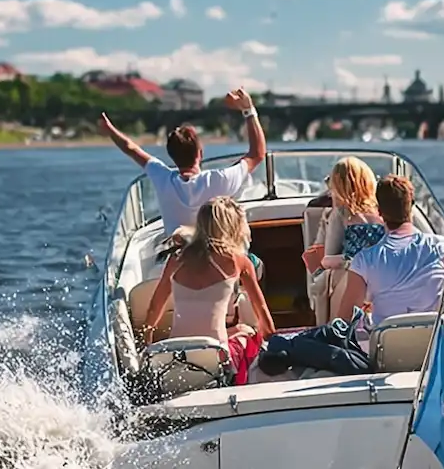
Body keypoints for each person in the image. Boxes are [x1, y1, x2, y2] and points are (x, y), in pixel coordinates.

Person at [143, 197, 276, 384]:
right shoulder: (238, 261)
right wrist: (273, 343)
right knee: (249, 333)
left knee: (237, 330)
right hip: (216, 357)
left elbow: (154, 307)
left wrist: (146, 341)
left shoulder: (176, 259)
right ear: (232, 226)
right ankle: (239, 385)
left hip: (177, 354)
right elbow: (261, 311)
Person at [98, 88, 267, 235]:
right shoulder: (220, 179)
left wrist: (110, 130)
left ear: (171, 155)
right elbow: (257, 154)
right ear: (200, 153)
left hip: (178, 255)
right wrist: (249, 110)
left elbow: (131, 148)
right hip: (213, 254)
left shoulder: (163, 178)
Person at [333, 175, 444, 325]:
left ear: (379, 212)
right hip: (433, 335)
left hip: (386, 337)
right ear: (411, 206)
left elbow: (344, 319)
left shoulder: (364, 260)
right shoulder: (442, 248)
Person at [302, 157, 385, 274]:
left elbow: (327, 259)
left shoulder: (341, 214)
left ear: (336, 186)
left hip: (349, 279)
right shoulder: (382, 212)